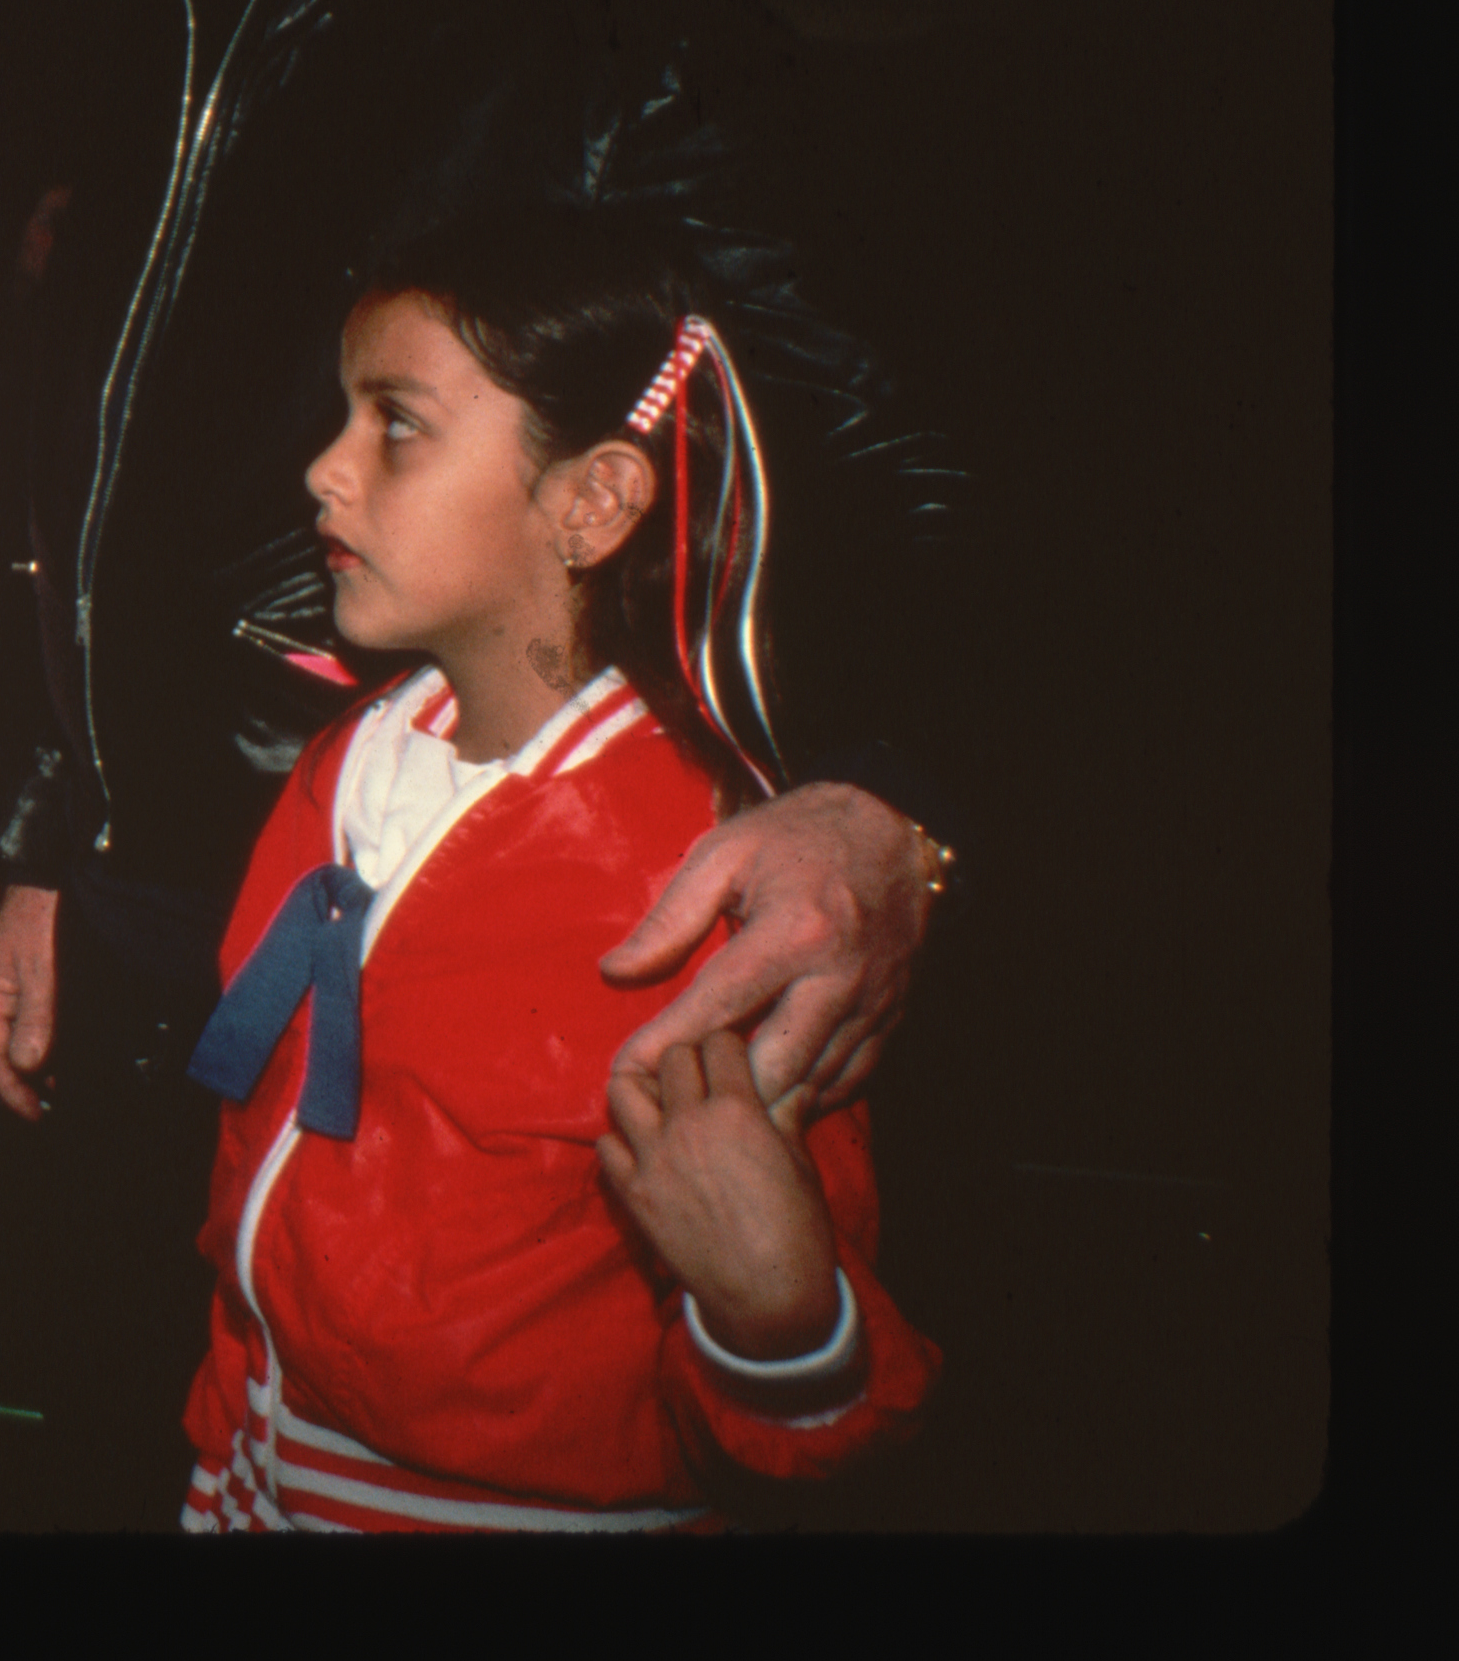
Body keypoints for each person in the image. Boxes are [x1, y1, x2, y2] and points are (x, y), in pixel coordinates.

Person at [0, 0, 961, 1519]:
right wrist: (54, 825)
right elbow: (112, 483)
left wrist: (873, 794)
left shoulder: (611, 22)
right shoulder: (178, 18)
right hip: (176, 914)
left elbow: (885, 449)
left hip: (447, 949)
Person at [178, 208, 936, 1529]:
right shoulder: (343, 764)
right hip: (254, 1449)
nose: (323, 470)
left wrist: (776, 1312)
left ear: (591, 499)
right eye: (340, 415)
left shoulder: (703, 879)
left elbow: (821, 1400)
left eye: (394, 423)